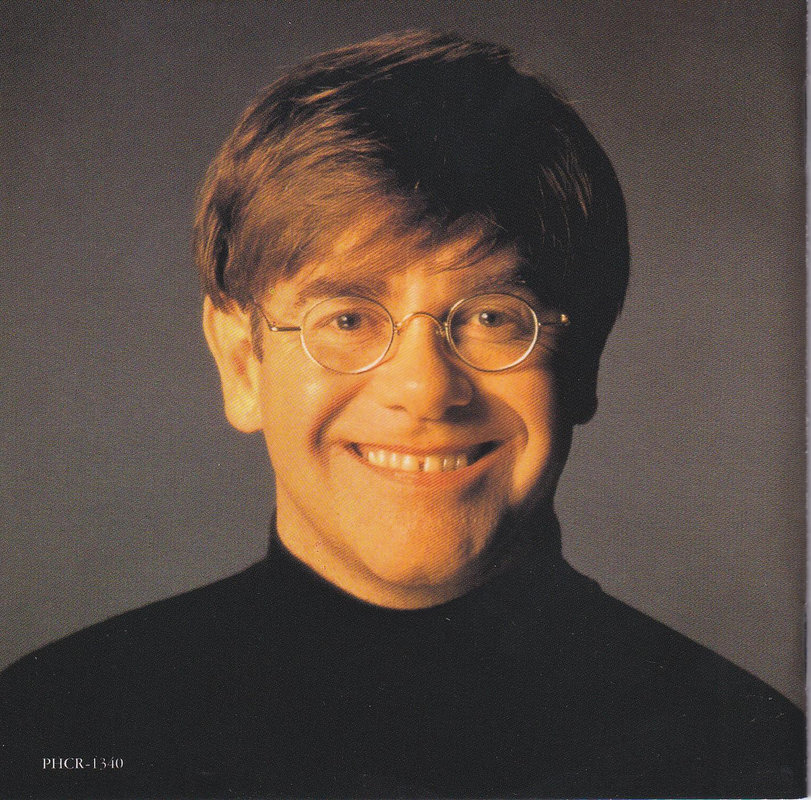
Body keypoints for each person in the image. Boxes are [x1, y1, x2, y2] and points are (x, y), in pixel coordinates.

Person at [0, 30, 804, 799]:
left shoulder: (745, 754)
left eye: (492, 316)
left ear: (583, 357)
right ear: (242, 362)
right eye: (348, 318)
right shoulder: (50, 722)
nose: (423, 390)